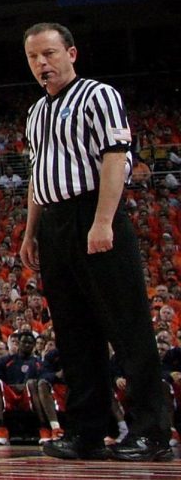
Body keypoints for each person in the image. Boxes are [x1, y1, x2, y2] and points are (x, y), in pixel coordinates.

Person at [21, 23, 172, 462]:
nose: (41, 64)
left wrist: (103, 220)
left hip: (94, 212)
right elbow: (37, 176)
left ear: (72, 53)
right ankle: (87, 430)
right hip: (54, 221)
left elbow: (115, 156)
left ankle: (150, 431)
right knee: (73, 333)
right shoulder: (35, 113)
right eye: (33, 58)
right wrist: (31, 231)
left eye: (49, 53)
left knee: (127, 327)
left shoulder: (97, 95)